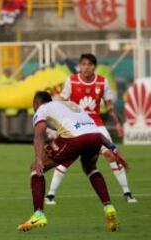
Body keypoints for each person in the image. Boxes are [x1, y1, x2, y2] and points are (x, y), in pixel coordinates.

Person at [17, 91, 126, 232]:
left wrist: (38, 159)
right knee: (90, 167)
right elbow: (95, 132)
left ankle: (38, 214)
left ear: (35, 103)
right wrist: (114, 149)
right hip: (95, 138)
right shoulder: (70, 105)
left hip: (74, 139)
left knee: (35, 168)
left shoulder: (42, 109)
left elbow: (39, 135)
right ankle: (109, 208)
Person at [45, 53, 137, 205]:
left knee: (111, 155)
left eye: (89, 65)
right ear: (80, 66)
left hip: (96, 125)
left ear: (95, 66)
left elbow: (108, 105)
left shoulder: (102, 82)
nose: (86, 67)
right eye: (83, 64)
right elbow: (62, 101)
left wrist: (117, 122)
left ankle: (127, 192)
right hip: (75, 126)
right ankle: (50, 195)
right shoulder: (72, 80)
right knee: (66, 158)